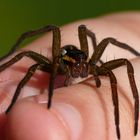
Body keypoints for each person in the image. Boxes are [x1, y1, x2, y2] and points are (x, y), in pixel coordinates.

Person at [0, 12, 140, 140]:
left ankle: (119, 120)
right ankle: (15, 101)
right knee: (32, 50)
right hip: (62, 60)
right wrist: (50, 98)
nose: (80, 69)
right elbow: (50, 62)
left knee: (115, 55)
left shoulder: (88, 63)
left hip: (77, 57)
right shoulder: (58, 63)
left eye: (83, 65)